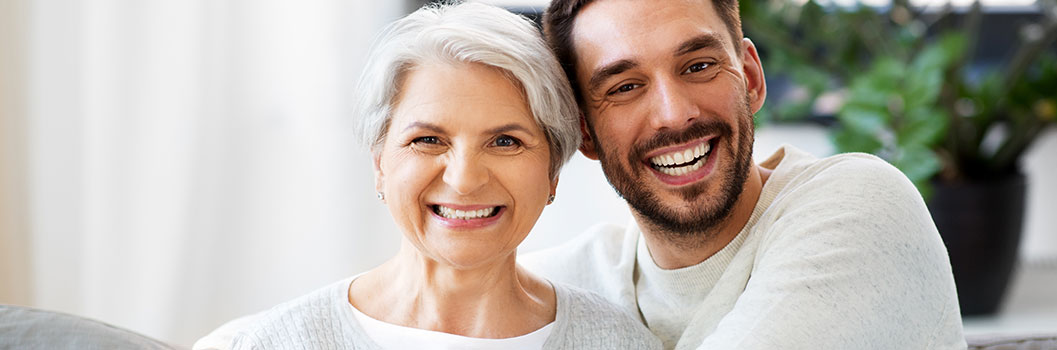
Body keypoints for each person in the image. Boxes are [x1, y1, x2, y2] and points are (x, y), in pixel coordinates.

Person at [193, 3, 661, 349]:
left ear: (553, 171)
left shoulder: (617, 342)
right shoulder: (278, 342)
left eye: (505, 141)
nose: (463, 179)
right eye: (428, 140)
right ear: (380, 163)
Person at [519, 0, 968, 348]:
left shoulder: (862, 207)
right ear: (584, 132)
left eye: (698, 66)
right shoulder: (558, 286)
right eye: (626, 87)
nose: (674, 115)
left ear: (750, 77)